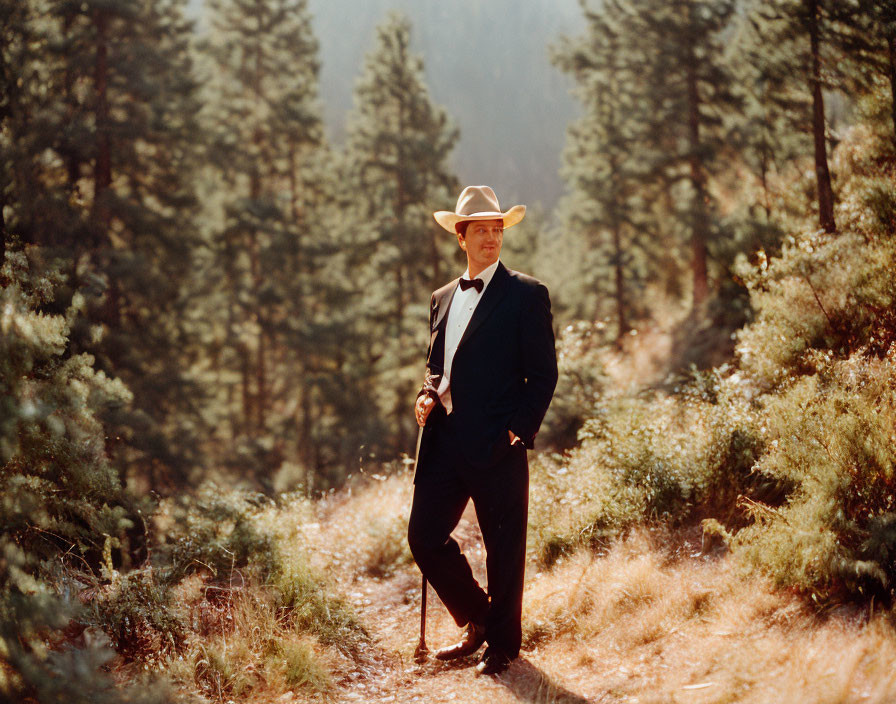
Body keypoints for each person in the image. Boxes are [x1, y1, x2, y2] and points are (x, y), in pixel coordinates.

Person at [407, 185, 558, 676]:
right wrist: (428, 392)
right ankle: (480, 616)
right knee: (425, 537)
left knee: (503, 546)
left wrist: (517, 432)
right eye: (482, 230)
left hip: (498, 444)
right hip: (445, 441)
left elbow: (544, 374)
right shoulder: (442, 298)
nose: (492, 238)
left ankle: (503, 646)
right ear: (461, 237)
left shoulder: (527, 294)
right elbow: (438, 365)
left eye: (497, 230)